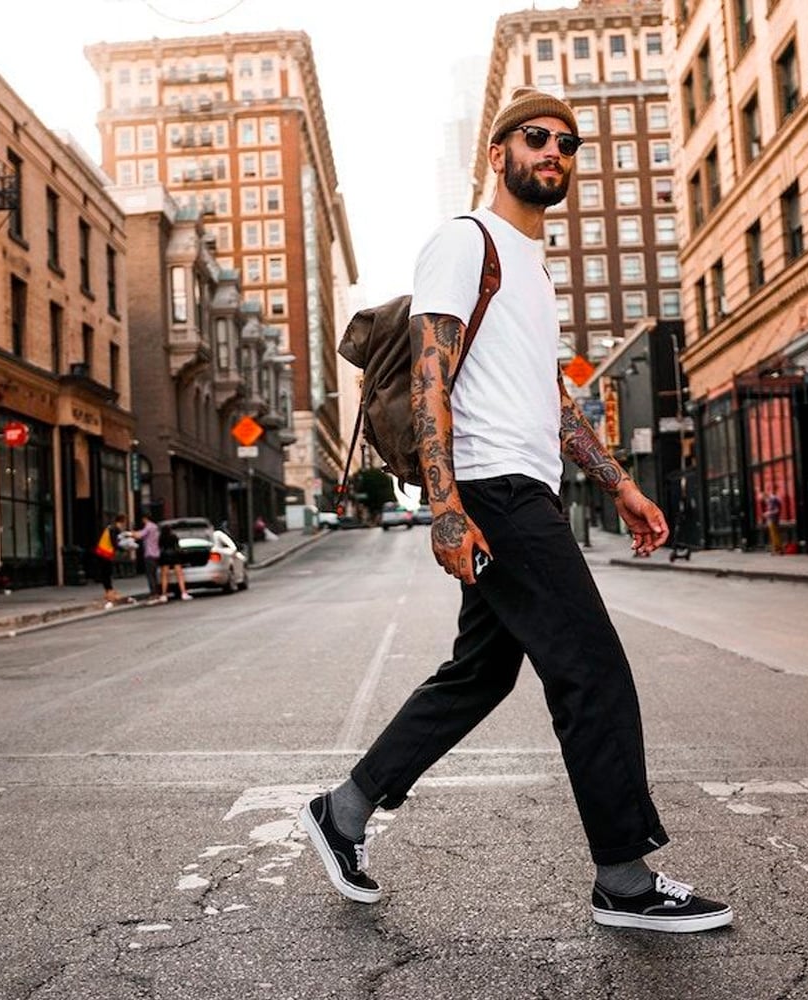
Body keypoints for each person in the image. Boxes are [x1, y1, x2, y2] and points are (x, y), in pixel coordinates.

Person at [300, 88, 732, 934]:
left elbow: (551, 397)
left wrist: (619, 484)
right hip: (493, 488)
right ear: (498, 154)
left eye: (568, 144)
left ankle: (342, 812)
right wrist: (446, 506)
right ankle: (624, 881)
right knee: (591, 670)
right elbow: (430, 378)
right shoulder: (465, 242)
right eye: (537, 137)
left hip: (527, 485)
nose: (554, 152)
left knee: (482, 672)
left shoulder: (531, 268)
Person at [96, 513, 128, 608]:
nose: (125, 525)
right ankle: (109, 593)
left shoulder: (110, 527)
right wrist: (124, 549)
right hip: (105, 553)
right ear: (122, 522)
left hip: (102, 552)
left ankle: (109, 591)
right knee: (107, 573)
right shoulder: (114, 529)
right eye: (125, 522)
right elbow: (115, 543)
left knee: (106, 573)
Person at [158, 521, 193, 602]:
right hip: (174, 556)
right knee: (180, 575)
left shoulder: (161, 537)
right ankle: (183, 593)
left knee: (164, 576)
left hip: (165, 557)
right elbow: (177, 546)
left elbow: (160, 547)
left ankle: (164, 595)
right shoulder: (173, 536)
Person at [131, 512, 161, 598]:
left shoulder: (148, 527)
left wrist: (131, 533)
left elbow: (139, 535)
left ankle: (153, 592)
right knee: (154, 574)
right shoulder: (155, 527)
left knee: (150, 574)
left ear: (145, 519)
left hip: (149, 553)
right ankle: (157, 591)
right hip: (156, 553)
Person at [764, 489, 783, 554]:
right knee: (774, 535)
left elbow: (777, 510)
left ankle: (778, 549)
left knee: (774, 535)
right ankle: (777, 549)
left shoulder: (772, 500)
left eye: (764, 499)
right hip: (772, 519)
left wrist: (768, 513)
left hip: (773, 519)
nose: (765, 501)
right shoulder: (772, 500)